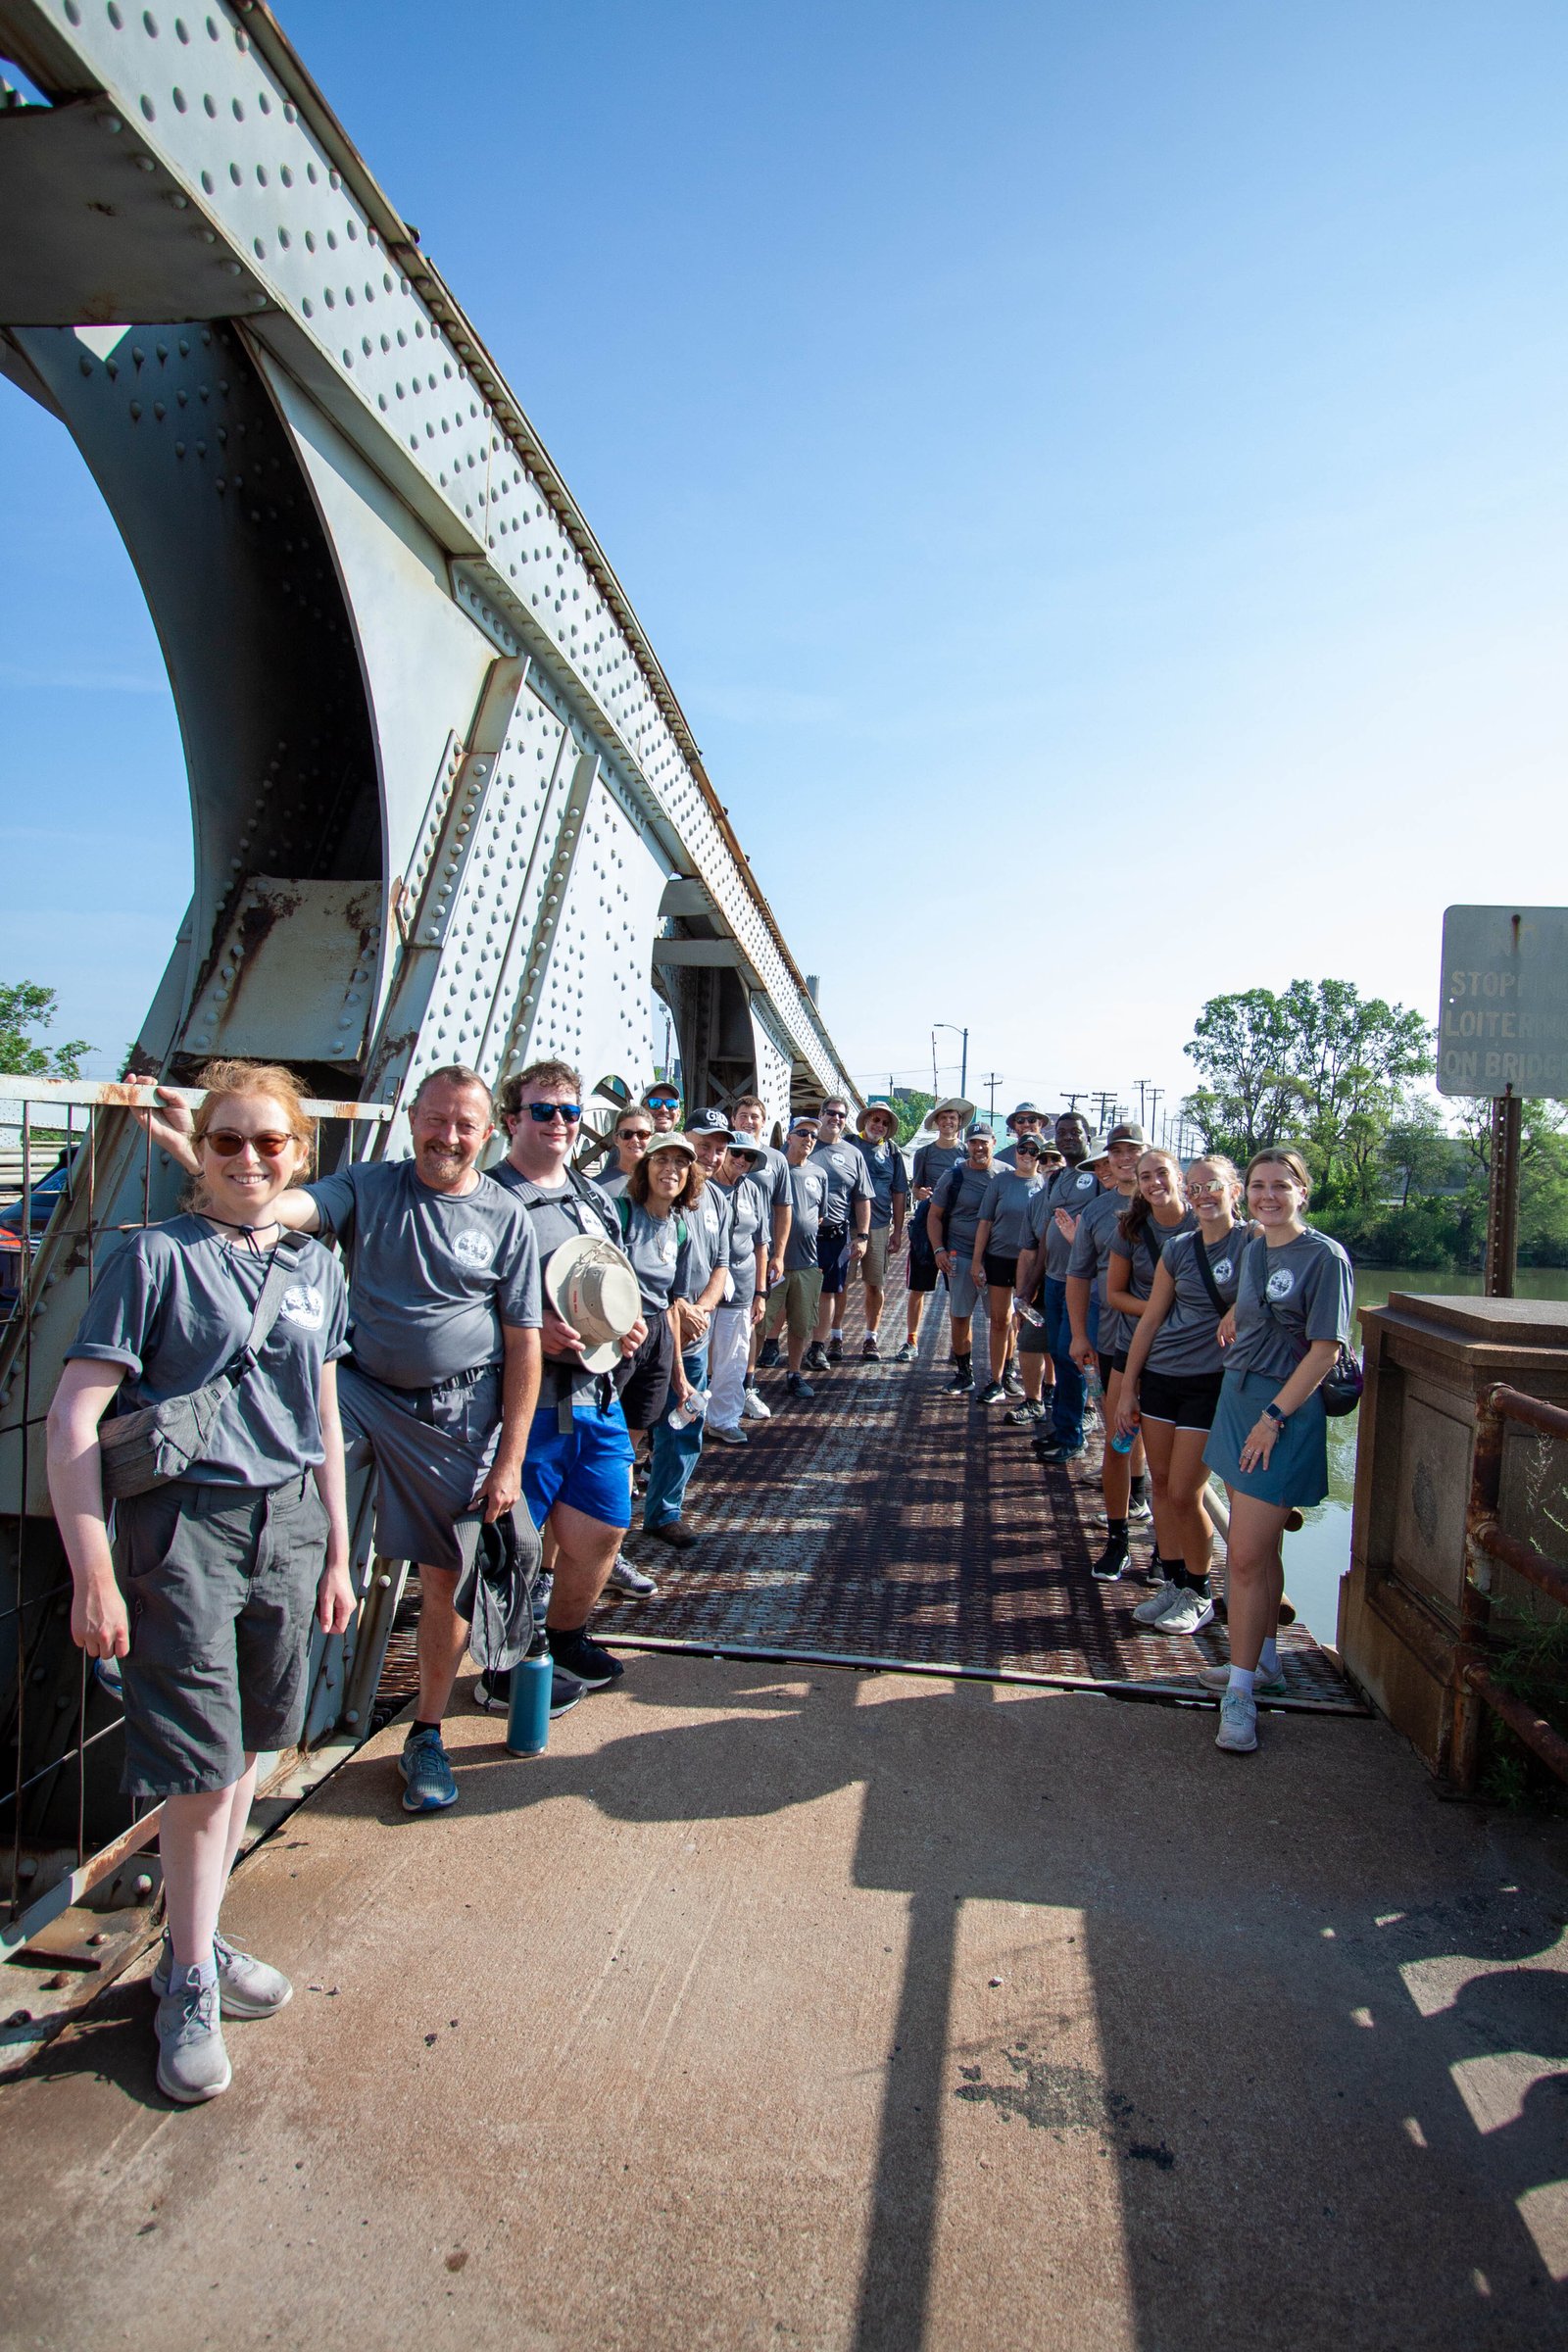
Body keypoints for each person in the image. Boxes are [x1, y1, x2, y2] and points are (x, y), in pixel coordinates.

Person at [48, 1060, 354, 2102]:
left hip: (291, 1525)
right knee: (199, 1760)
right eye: (227, 1141)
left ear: (297, 1154)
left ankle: (202, 1933)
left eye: (270, 1142)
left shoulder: (315, 1268)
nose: (250, 1158)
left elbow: (323, 1423)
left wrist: (341, 1554)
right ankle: (183, 1977)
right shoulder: (155, 1261)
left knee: (250, 1748)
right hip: (185, 1531)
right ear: (201, 1154)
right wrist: (93, 1569)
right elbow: (74, 1417)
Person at [141, 1065, 545, 1816]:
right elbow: (276, 1203)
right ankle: (225, 1631)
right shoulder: (368, 1185)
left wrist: (511, 1459)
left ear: (487, 1134)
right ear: (411, 1122)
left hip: (456, 1414)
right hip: (360, 1390)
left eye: (464, 1125)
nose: (447, 1136)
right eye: (434, 1119)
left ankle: (426, 1732)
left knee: (445, 1574)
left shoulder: (505, 1218)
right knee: (284, 1462)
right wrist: (200, 1151)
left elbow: (524, 1347)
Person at [491, 1060, 656, 1650]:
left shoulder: (593, 1197)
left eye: (569, 1112)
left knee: (605, 1529)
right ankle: (503, 1666)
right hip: (524, 1404)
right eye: (542, 1110)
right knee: (514, 1543)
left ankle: (567, 1640)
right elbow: (455, 1308)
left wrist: (627, 1325)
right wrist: (532, 1334)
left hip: (597, 1393)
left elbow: (614, 1280)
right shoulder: (488, 1197)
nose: (557, 1122)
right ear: (512, 1119)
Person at [1199, 1149, 1353, 1756]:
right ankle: (1264, 1661)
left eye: (1280, 1186)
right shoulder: (1258, 1246)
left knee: (1240, 1558)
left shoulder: (1325, 1257)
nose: (1266, 1196)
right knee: (1259, 1551)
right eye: (1258, 1186)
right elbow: (1259, 1299)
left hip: (1278, 1413)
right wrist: (1237, 1311)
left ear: (1302, 1192)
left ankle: (1240, 1694)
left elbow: (1324, 1350)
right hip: (1238, 1400)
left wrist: (1272, 1418)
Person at [1115, 1156, 1247, 1638]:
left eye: (1213, 1184)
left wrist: (1237, 1304)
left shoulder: (1254, 1242)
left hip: (1210, 1381)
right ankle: (1171, 1581)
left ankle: (1199, 1590)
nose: (1203, 1194)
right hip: (1162, 1372)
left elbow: (1281, 1289)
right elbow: (1150, 1319)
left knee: (1186, 1492)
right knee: (1164, 1483)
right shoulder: (1179, 1248)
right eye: (1195, 1187)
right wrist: (1129, 1388)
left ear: (1234, 1189)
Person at [1101, 1149, 1199, 1581]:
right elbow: (1114, 1294)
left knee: (1171, 1470)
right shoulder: (1132, 1228)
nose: (1155, 1183)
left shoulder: (1206, 1224)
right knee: (1118, 1443)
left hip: (1188, 1358)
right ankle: (1117, 1538)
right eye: (1146, 1177)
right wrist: (1161, 1310)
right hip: (1133, 1347)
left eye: (1162, 1173)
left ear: (1178, 1175)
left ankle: (1167, 1551)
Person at [639, 1116, 733, 1549]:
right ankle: (603, 1528)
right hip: (653, 1333)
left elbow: (721, 1263)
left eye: (720, 1148)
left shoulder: (717, 1199)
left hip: (694, 1333)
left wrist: (702, 1307)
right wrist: (680, 1307)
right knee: (630, 1432)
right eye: (704, 1146)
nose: (712, 1156)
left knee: (683, 1427)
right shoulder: (657, 1198)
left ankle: (663, 1513)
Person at [1065, 1122, 1149, 1579]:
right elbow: (1077, 1277)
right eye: (1115, 1152)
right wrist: (1080, 1335)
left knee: (1162, 1445)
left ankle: (1162, 1545)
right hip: (1109, 1336)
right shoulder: (1097, 1211)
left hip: (1166, 1347)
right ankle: (1119, 1538)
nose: (1123, 1159)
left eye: (1132, 1151)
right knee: (1117, 1433)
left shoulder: (1173, 1211)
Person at [1016, 1113, 1102, 1463]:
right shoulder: (1056, 1180)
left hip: (1084, 1284)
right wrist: (1029, 1288)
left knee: (1075, 1358)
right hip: (1054, 1280)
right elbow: (1046, 1241)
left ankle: (1077, 1430)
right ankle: (1064, 1426)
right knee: (1059, 1353)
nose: (1067, 1138)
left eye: (1075, 1132)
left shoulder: (1098, 1176)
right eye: (1062, 1132)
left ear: (1088, 1135)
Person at [970, 1135, 1047, 1405]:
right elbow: (985, 1223)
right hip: (1000, 1257)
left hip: (1035, 1263)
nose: (1027, 1154)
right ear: (1016, 1151)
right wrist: (977, 1261)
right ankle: (996, 1378)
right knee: (1001, 1319)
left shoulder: (1047, 1184)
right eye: (1023, 1149)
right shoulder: (1000, 1181)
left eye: (1034, 1150)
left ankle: (1041, 1386)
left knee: (1032, 1321)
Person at [760, 1116, 830, 1398]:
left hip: (807, 1263)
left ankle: (794, 1373)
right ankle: (748, 1379)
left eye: (813, 1135)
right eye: (802, 1132)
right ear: (789, 1137)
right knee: (760, 1324)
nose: (808, 1138)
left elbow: (820, 1215)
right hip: (772, 1263)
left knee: (802, 1324)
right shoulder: (773, 1168)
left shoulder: (819, 1174)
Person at [925, 1123, 997, 1394]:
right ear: (967, 1145)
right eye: (973, 1142)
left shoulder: (1003, 1174)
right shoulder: (954, 1176)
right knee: (959, 1314)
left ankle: (1005, 1372)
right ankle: (964, 1373)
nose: (979, 1147)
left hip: (996, 1260)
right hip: (960, 1255)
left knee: (1003, 1320)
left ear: (993, 1142)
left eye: (984, 1142)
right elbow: (934, 1215)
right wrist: (938, 1250)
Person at [730, 1093, 790, 1414]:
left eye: (755, 1116)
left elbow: (783, 1209)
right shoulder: (723, 1150)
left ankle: (748, 1386)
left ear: (764, 1122)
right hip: (719, 1251)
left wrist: (778, 1254)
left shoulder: (776, 1160)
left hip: (757, 1252)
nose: (749, 1121)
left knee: (751, 1321)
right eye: (743, 1115)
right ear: (733, 1119)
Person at [708, 1133, 769, 1442]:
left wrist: (760, 1292)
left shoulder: (754, 1191)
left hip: (742, 1288)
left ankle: (724, 1419)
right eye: (737, 1153)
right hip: (704, 1287)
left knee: (734, 1357)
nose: (742, 1160)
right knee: (697, 1356)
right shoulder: (703, 1186)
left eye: (749, 1157)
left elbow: (761, 1244)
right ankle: (688, 1419)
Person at [807, 1099, 873, 1369]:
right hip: (802, 1234)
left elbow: (862, 1198)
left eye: (841, 1115)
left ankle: (817, 1347)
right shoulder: (803, 1142)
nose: (836, 1118)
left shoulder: (853, 1153)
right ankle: (772, 1345)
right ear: (820, 1114)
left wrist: (863, 1236)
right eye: (830, 1113)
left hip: (835, 1234)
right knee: (788, 1290)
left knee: (828, 1293)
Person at [902, 1098, 970, 1360]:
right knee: (918, 1287)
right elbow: (916, 1187)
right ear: (937, 1122)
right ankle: (911, 1341)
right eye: (943, 1117)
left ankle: (959, 1346)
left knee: (957, 1290)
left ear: (959, 1122)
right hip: (926, 1226)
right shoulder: (925, 1153)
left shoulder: (965, 1153)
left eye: (952, 1117)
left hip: (957, 1229)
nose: (948, 1122)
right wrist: (919, 1193)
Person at [852, 1102, 908, 1357]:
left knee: (876, 1284)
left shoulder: (893, 1153)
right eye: (875, 1119)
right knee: (838, 1286)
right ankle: (833, 1337)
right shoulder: (849, 1144)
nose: (879, 1126)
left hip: (879, 1226)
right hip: (847, 1225)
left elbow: (899, 1193)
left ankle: (870, 1338)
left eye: (885, 1123)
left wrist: (897, 1231)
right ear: (865, 1120)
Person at [597, 1109, 653, 1200]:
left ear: (652, 1139)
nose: (635, 1139)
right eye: (627, 1134)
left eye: (642, 1134)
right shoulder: (597, 1186)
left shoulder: (662, 1182)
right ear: (615, 1139)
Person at [994, 1102, 1048, 1170]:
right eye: (1020, 1120)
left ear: (1040, 1123)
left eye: (1031, 1120)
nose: (1026, 1124)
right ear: (1014, 1125)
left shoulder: (1056, 1155)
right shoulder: (1001, 1159)